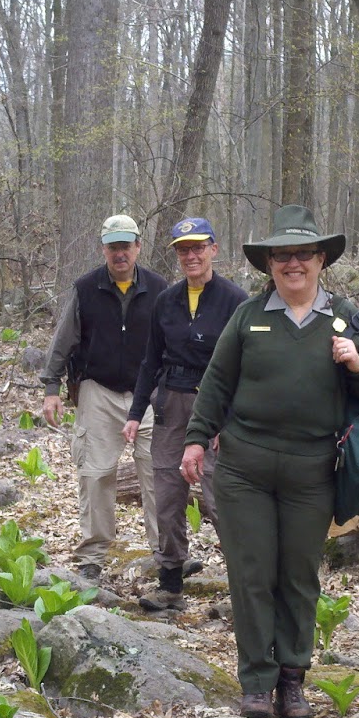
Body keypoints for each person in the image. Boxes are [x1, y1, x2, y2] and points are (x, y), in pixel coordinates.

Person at [181, 204, 359, 718]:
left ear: (321, 259)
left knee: (298, 575)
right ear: (269, 265)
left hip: (312, 469)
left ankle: (293, 680)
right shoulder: (249, 316)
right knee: (251, 574)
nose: (292, 264)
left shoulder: (344, 317)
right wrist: (195, 439)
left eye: (302, 254)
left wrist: (357, 362)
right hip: (244, 467)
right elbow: (216, 383)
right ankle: (256, 679)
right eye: (282, 257)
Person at [123, 218, 248, 611]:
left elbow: (247, 364)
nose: (190, 256)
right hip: (170, 405)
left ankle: (244, 590)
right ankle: (171, 582)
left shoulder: (234, 300)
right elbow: (149, 361)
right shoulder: (167, 299)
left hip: (215, 405)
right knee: (167, 495)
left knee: (219, 498)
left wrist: (229, 419)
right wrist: (135, 412)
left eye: (198, 247)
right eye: (182, 249)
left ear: (214, 248)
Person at [41, 214, 165, 583]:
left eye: (126, 246)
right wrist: (52, 388)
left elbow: (173, 343)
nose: (120, 254)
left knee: (158, 474)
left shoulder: (160, 290)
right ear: (104, 250)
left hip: (149, 393)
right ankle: (93, 555)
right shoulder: (85, 288)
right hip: (97, 390)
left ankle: (166, 554)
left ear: (138, 247)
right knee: (95, 475)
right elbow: (63, 342)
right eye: (113, 247)